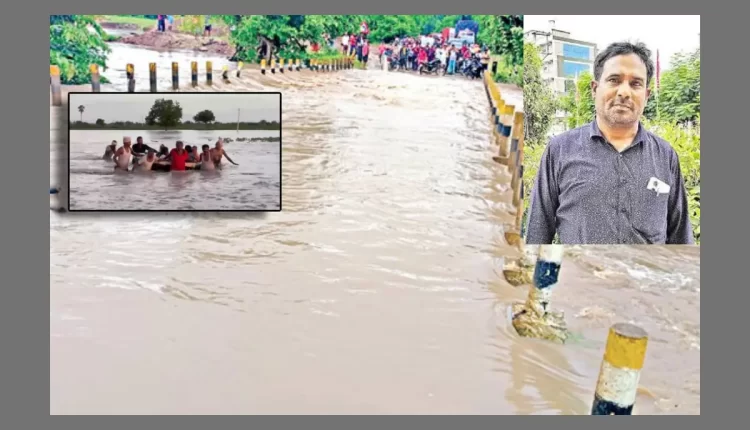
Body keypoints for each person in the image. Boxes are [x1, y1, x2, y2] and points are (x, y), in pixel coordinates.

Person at [525, 41, 694, 245]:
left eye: (635, 84)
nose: (624, 92)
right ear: (595, 89)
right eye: (614, 80)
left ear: (647, 96)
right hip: (580, 277)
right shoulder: (560, 150)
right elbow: (537, 235)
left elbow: (680, 240)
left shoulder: (665, 155)